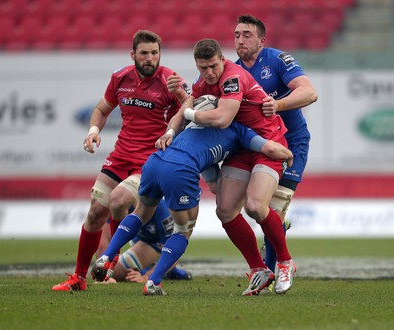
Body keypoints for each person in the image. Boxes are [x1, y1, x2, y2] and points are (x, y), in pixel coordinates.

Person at [91, 100, 294, 296]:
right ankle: (154, 281)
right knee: (182, 230)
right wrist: (288, 155)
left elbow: (211, 176)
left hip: (154, 161)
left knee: (140, 213)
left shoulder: (191, 125)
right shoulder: (239, 130)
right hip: (180, 170)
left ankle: (107, 255)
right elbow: (270, 149)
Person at [52, 30, 189, 291]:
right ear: (133, 55)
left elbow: (189, 112)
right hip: (120, 156)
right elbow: (102, 110)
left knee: (118, 200)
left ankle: (111, 256)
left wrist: (183, 98)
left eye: (155, 53)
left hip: (150, 161)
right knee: (94, 212)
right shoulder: (120, 77)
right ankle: (79, 278)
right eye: (144, 53)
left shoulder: (171, 81)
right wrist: (93, 131)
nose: (150, 58)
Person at [168, 38, 296, 295]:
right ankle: (259, 269)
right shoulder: (202, 83)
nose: (210, 73)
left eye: (214, 66)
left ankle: (285, 261)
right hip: (240, 148)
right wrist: (170, 132)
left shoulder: (233, 77)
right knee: (225, 210)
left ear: (222, 60)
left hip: (267, 145)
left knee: (255, 206)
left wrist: (191, 114)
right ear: (198, 65)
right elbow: (184, 109)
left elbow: (223, 118)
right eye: (203, 68)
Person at [234, 15, 318, 276]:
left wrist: (279, 104)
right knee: (259, 209)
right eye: (237, 35)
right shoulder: (234, 72)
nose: (240, 40)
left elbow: (309, 92)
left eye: (247, 35)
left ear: (261, 40)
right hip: (262, 147)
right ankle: (271, 262)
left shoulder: (278, 60)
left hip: (292, 143)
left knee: (273, 210)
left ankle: (270, 272)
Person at [94, 201, 192, 284]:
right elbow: (103, 239)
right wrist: (102, 272)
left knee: (117, 272)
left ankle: (167, 270)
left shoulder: (161, 209)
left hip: (156, 244)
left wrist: (146, 276)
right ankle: (167, 271)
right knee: (111, 271)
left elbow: (174, 251)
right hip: (137, 240)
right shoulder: (118, 203)